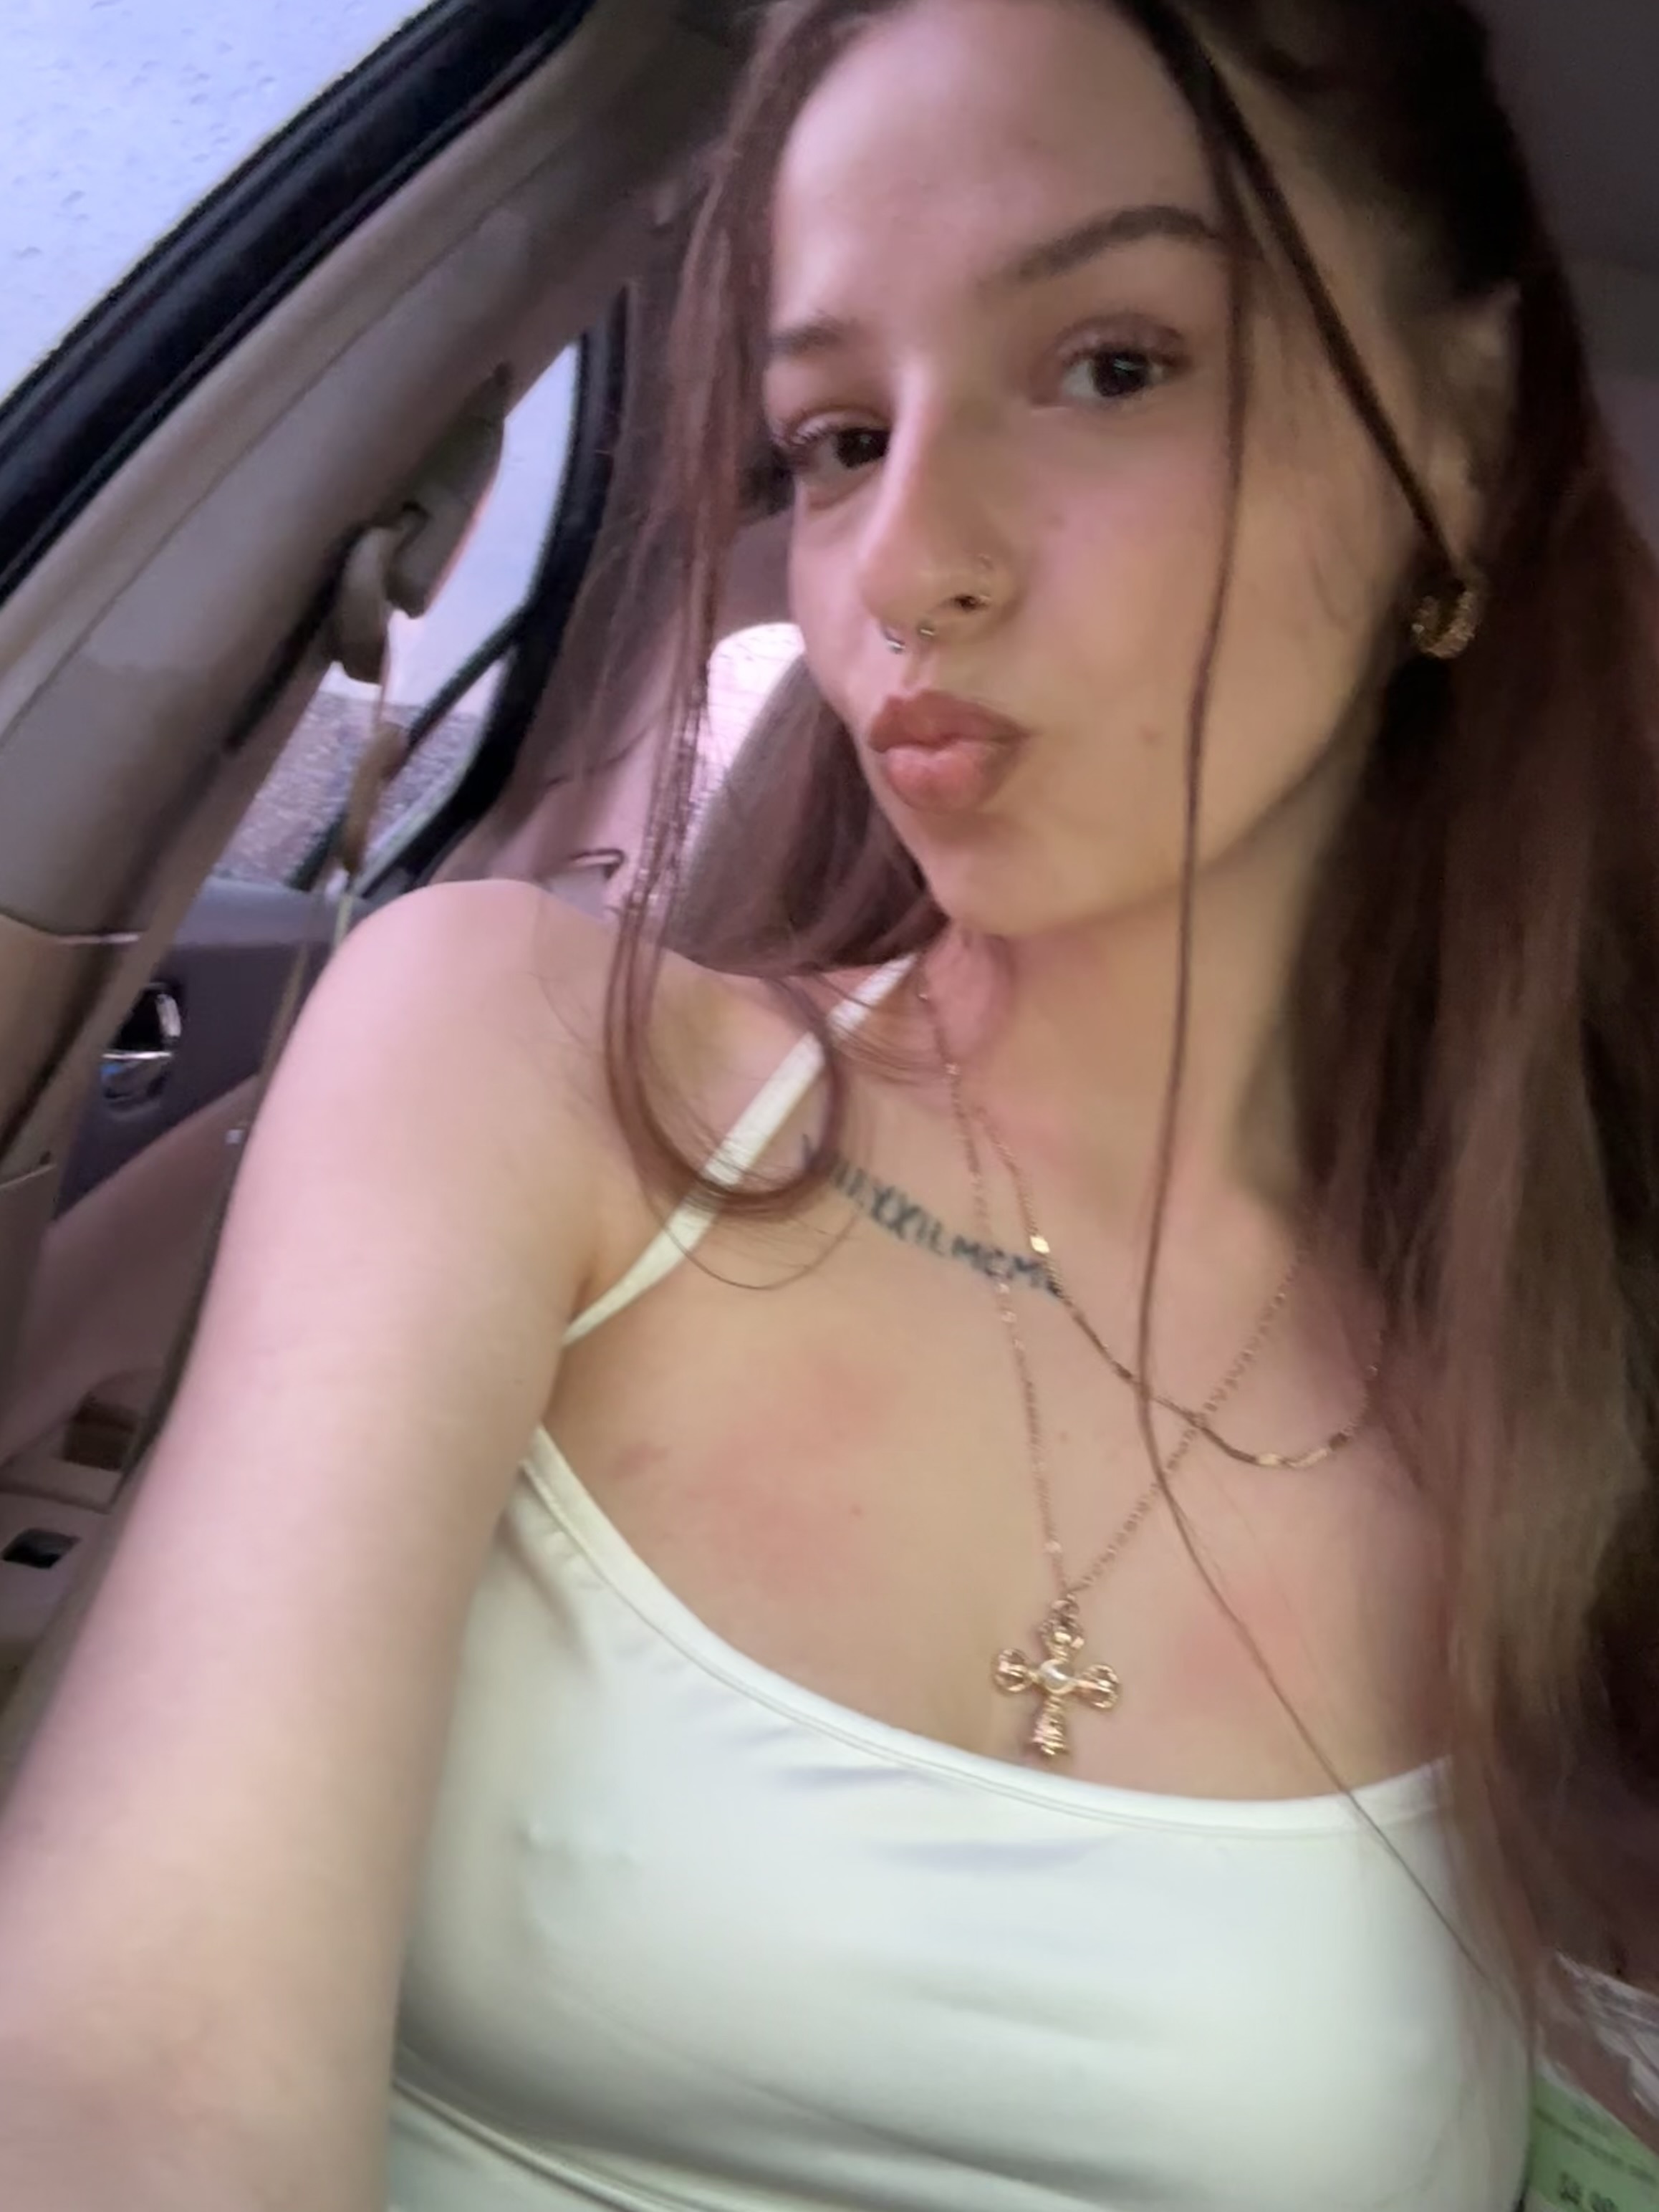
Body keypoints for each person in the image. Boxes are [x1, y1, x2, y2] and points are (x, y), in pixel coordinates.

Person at [0, 0, 1654, 2205]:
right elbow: (138, 2090)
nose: (902, 560)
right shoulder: (531, 1062)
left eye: (1114, 364)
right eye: (838, 437)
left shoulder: (1554, 1379)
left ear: (1455, 438)